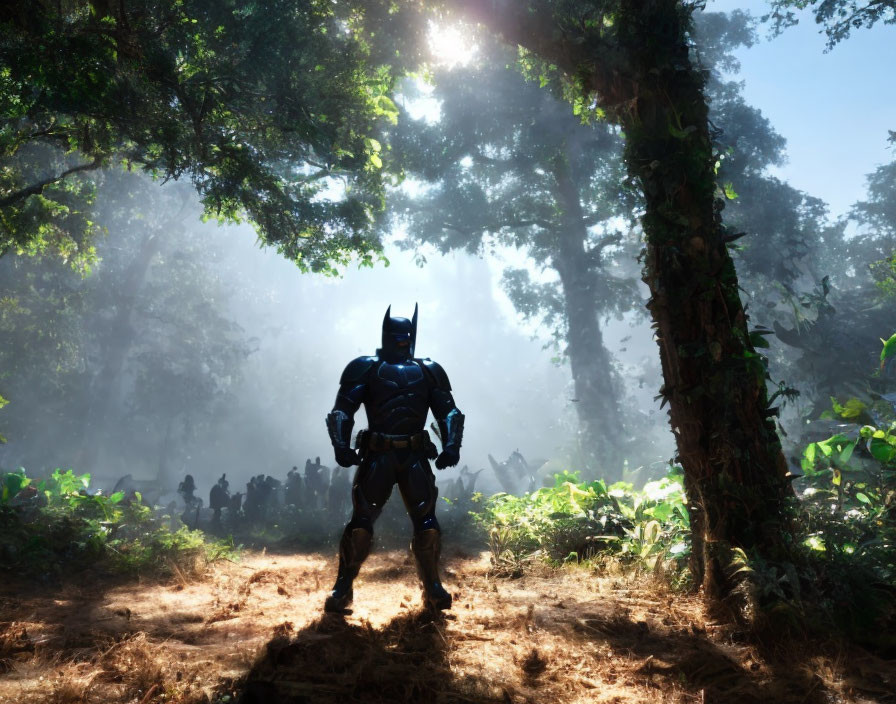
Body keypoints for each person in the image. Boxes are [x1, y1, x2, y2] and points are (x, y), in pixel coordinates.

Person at [324, 304, 464, 612]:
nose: (403, 342)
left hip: (414, 455)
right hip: (379, 454)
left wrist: (452, 445)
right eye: (398, 337)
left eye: (406, 337)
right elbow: (342, 410)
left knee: (426, 522)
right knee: (361, 522)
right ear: (387, 335)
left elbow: (449, 411)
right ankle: (343, 586)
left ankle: (432, 587)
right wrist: (341, 445)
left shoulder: (428, 369)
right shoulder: (367, 367)